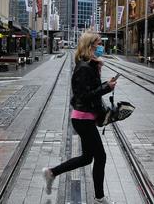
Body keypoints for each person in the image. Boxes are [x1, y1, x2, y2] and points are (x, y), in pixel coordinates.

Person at [42, 32, 118, 204]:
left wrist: (104, 83)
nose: (101, 47)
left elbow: (89, 92)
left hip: (85, 117)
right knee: (101, 157)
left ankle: (51, 173)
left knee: (87, 158)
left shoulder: (89, 65)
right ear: (90, 46)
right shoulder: (84, 67)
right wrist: (106, 87)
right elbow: (83, 96)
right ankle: (99, 198)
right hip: (83, 119)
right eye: (98, 43)